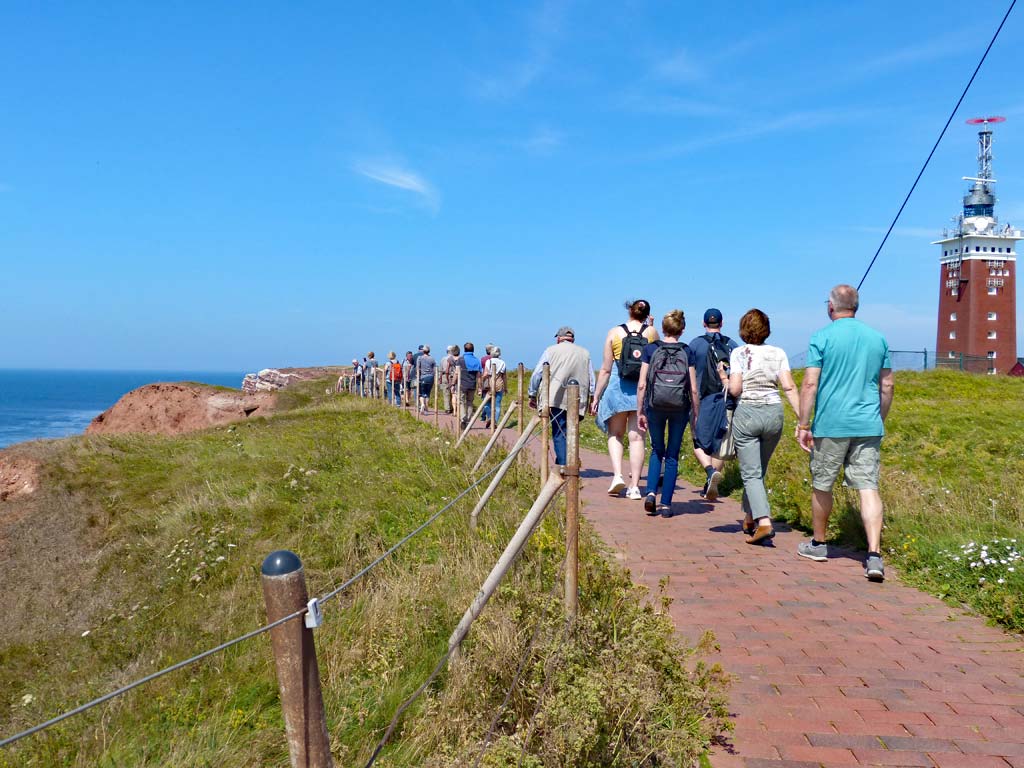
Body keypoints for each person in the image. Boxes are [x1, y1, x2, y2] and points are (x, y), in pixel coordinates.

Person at [796, 284, 894, 582]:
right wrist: (879, 417)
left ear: (831, 307)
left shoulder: (822, 337)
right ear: (857, 306)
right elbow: (887, 385)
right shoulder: (878, 338)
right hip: (867, 423)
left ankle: (819, 543)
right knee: (868, 486)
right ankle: (874, 554)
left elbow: (810, 384)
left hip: (831, 424)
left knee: (823, 483)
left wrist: (803, 423)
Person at [726, 309, 801, 544]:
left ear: (743, 329)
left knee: (750, 472)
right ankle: (749, 516)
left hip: (748, 411)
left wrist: (725, 381)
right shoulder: (778, 352)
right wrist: (803, 418)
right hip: (774, 412)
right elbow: (788, 386)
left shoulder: (739, 353)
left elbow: (736, 389)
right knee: (759, 469)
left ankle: (764, 521)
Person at [593, 299, 659, 499]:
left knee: (615, 434)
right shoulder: (652, 333)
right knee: (637, 438)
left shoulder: (614, 332)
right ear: (647, 314)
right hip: (642, 388)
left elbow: (605, 368)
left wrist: (596, 396)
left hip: (617, 386)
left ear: (630, 311)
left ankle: (617, 476)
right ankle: (635, 487)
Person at [636, 310, 699, 515]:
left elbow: (642, 384)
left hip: (655, 405)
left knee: (656, 450)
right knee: (672, 455)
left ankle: (651, 494)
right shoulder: (688, 351)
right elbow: (694, 388)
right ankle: (666, 505)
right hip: (679, 407)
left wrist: (640, 411)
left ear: (662, 328)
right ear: (682, 330)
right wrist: (695, 413)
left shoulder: (650, 349)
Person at [690, 308, 739, 501]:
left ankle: (710, 472)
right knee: (720, 439)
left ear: (704, 323)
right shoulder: (732, 344)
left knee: (698, 440)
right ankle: (711, 480)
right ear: (722, 323)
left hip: (702, 399)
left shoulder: (695, 344)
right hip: (726, 398)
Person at [529, 326, 594, 467]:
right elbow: (591, 377)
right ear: (573, 339)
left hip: (555, 398)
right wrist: (592, 397)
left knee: (559, 431)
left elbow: (537, 374)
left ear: (559, 338)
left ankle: (565, 465)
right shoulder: (585, 353)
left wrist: (532, 394)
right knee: (572, 431)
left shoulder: (550, 351)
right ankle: (565, 461)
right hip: (578, 399)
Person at [480, 346, 507, 428]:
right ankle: (494, 421)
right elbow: (504, 376)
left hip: (490, 384)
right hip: (499, 383)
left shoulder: (489, 361)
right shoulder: (503, 362)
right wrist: (506, 387)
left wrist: (481, 381)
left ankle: (490, 417)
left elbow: (485, 374)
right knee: (497, 405)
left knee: (487, 404)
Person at [457, 342, 482, 429]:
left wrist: (453, 383)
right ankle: (468, 419)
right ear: (473, 350)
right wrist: (479, 387)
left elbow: (457, 373)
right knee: (470, 402)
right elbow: (479, 376)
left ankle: (463, 417)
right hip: (472, 385)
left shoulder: (460, 360)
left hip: (462, 385)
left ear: (464, 349)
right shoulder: (477, 360)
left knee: (461, 401)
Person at [416, 345, 436, 414]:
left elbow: (417, 368)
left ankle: (422, 404)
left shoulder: (420, 358)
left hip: (423, 377)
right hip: (430, 377)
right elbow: (434, 369)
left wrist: (418, 376)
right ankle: (426, 409)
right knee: (427, 393)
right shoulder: (432, 359)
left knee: (421, 393)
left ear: (423, 351)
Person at [441, 345, 458, 414]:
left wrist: (440, 378)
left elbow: (441, 369)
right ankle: (454, 408)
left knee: (446, 393)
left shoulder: (443, 359)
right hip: (454, 376)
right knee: (454, 393)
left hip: (445, 375)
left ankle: (447, 408)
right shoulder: (455, 358)